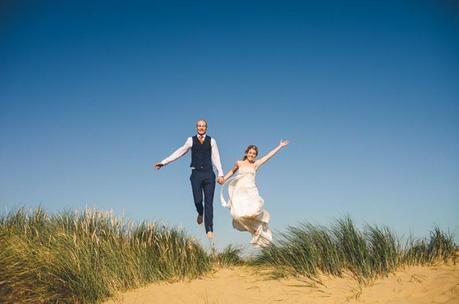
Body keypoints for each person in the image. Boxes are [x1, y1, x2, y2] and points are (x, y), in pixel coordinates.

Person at [154, 119, 224, 239]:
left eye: (203, 126)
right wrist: (164, 162)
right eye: (199, 126)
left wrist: (220, 173)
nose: (201, 128)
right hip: (196, 173)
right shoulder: (190, 140)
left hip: (209, 174)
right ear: (196, 127)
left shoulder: (211, 141)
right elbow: (179, 152)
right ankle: (200, 212)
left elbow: (216, 157)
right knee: (198, 200)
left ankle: (209, 228)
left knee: (209, 202)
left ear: (206, 128)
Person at [220, 140, 289, 247]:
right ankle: (253, 230)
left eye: (254, 154)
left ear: (255, 156)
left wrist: (279, 146)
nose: (252, 155)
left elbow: (267, 157)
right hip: (239, 192)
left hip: (251, 192)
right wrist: (223, 179)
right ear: (246, 153)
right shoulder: (239, 163)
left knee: (254, 212)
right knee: (237, 215)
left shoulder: (255, 164)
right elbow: (231, 171)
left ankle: (259, 226)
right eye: (250, 153)